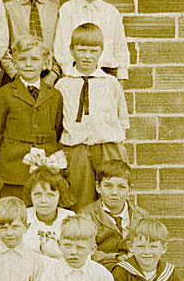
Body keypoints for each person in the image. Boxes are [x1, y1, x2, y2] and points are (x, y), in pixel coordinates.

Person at [55, 23, 130, 209]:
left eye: (93, 51)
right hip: (76, 150)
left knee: (112, 196)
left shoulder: (111, 83)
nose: (87, 56)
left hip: (108, 148)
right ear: (71, 51)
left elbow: (122, 119)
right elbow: (57, 122)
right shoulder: (63, 85)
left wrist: (117, 148)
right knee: (79, 199)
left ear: (101, 52)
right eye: (81, 50)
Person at [0, 35, 64, 198]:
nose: (28, 64)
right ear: (15, 63)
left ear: (45, 63)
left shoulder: (55, 95)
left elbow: (57, 128)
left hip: (46, 168)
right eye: (22, 59)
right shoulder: (3, 94)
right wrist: (12, 153)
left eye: (35, 59)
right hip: (14, 169)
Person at [54, 0, 129, 80]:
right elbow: (61, 46)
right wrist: (69, 74)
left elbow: (120, 48)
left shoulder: (111, 12)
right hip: (76, 73)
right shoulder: (68, 10)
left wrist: (121, 77)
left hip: (106, 73)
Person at [0, 0, 60, 85]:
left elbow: (62, 45)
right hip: (16, 76)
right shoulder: (7, 9)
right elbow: (2, 45)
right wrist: (15, 74)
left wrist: (54, 74)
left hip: (49, 77)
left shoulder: (55, 10)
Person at [82, 160, 149, 269]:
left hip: (134, 268)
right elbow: (84, 250)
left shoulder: (141, 216)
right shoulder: (87, 215)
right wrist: (116, 258)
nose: (114, 192)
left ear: (130, 189)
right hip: (100, 269)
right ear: (98, 187)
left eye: (121, 187)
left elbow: (149, 246)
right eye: (108, 186)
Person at [23, 166, 75, 263]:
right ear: (30, 194)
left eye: (50, 195)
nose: (43, 200)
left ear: (60, 196)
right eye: (37, 194)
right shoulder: (22, 216)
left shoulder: (70, 218)